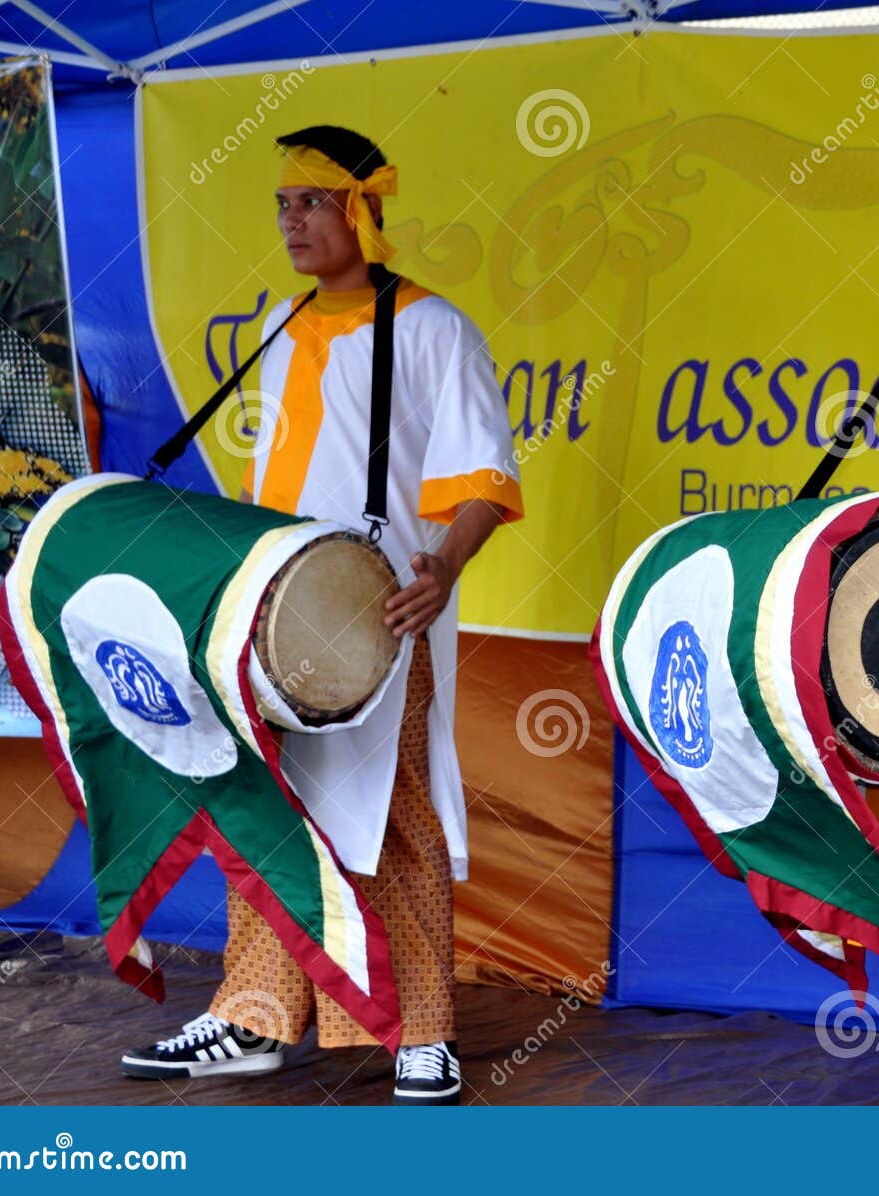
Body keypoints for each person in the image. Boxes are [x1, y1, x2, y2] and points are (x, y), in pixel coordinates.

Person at [121, 125, 522, 1106]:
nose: (291, 222)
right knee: (260, 806)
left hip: (380, 608)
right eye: (281, 206)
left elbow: (485, 477)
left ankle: (424, 1032)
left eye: (309, 202)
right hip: (274, 613)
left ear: (362, 209)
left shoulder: (433, 327)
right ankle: (252, 1013)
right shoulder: (279, 323)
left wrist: (443, 566)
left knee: (400, 815)